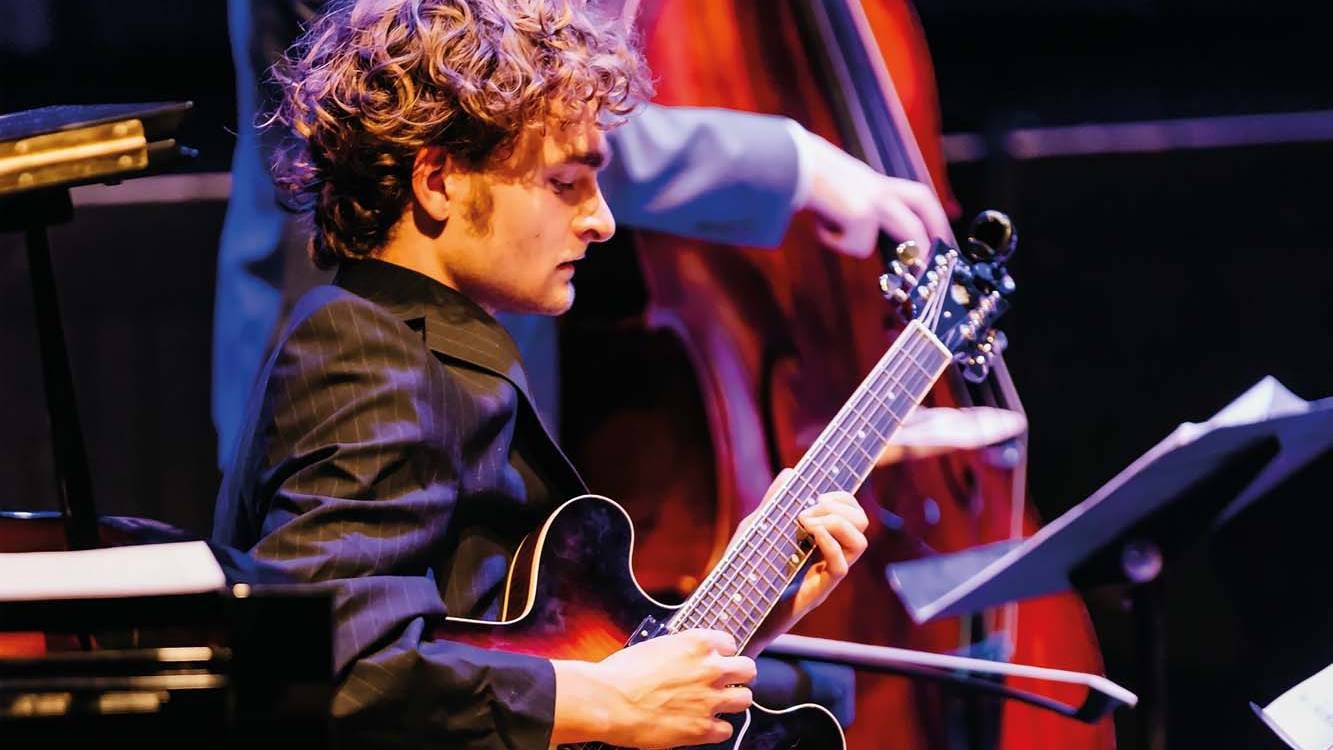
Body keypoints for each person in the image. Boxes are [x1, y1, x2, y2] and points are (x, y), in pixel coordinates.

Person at [212, 1, 872, 747]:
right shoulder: (362, 352)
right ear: (440, 180)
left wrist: (746, 609)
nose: (602, 221)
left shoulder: (426, 346)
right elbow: (333, 672)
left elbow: (506, 653)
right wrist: (603, 702)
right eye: (565, 183)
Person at [213, 0, 952, 469]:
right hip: (361, 323)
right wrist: (789, 163)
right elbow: (485, 117)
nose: (597, 222)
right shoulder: (350, 373)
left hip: (484, 347)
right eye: (574, 187)